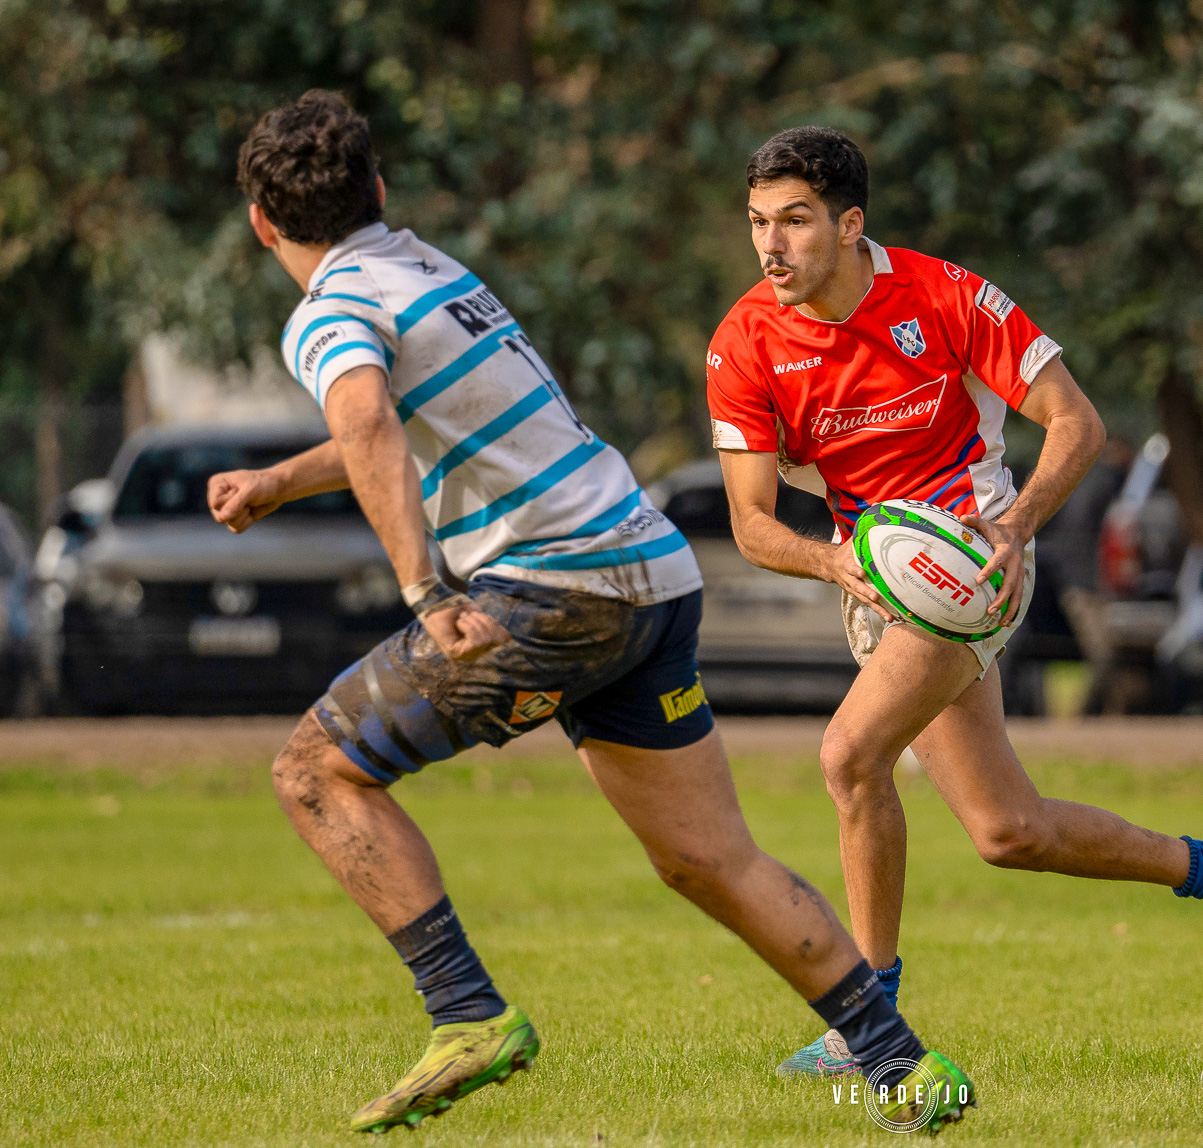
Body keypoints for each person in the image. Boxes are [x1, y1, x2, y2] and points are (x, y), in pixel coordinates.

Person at [212, 93, 970, 1134]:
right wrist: (278, 482)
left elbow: (373, 423)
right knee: (709, 856)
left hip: (552, 592)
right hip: (649, 572)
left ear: (262, 223)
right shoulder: (427, 268)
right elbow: (390, 425)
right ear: (378, 191)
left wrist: (428, 592)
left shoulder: (331, 309)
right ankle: (902, 1065)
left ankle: (466, 1012)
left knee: (313, 770)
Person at [704, 127, 1203, 1079]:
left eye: (795, 221)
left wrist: (1020, 524)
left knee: (848, 756)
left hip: (979, 553)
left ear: (850, 223)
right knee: (1009, 832)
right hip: (878, 573)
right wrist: (842, 565)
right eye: (758, 223)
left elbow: (1077, 421)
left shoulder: (945, 296)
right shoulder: (747, 337)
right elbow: (752, 523)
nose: (772, 245)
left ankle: (869, 1025)